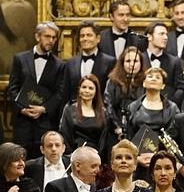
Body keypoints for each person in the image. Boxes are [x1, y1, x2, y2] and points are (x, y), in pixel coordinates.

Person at [8, 21, 65, 159]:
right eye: (47, 36)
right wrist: (22, 109)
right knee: (19, 159)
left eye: (53, 37)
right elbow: (13, 87)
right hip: (22, 123)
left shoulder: (59, 65)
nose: (51, 40)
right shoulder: (20, 59)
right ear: (37, 37)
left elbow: (60, 93)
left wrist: (43, 109)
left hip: (45, 123)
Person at [62, 20, 116, 104]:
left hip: (100, 112)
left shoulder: (110, 62)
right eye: (82, 36)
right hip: (75, 113)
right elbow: (65, 94)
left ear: (98, 38)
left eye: (89, 35)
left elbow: (111, 94)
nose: (85, 38)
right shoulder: (70, 63)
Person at [104, 47, 148, 139]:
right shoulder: (113, 81)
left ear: (141, 63)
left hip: (140, 131)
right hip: (116, 130)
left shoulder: (146, 81)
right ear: (122, 63)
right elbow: (108, 105)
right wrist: (117, 127)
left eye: (135, 61)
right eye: (128, 61)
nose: (132, 64)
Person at [59, 75, 109, 157]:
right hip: (74, 155)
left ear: (96, 91)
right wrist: (71, 155)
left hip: (96, 156)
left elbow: (104, 139)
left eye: (91, 88)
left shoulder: (103, 112)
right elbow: (65, 133)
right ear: (79, 89)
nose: (86, 91)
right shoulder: (70, 109)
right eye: (84, 87)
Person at [142, 22, 184, 107]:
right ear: (149, 37)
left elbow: (181, 87)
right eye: (161, 34)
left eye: (166, 34)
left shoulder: (174, 61)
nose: (166, 38)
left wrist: (169, 104)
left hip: (167, 110)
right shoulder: (139, 59)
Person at [127, 67, 180, 140]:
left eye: (158, 77)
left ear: (163, 86)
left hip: (163, 149)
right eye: (150, 76)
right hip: (136, 148)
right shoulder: (132, 107)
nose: (153, 79)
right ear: (144, 83)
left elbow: (174, 132)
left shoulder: (172, 108)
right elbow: (129, 132)